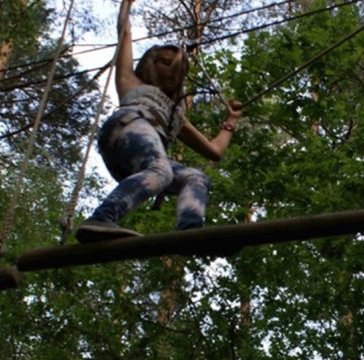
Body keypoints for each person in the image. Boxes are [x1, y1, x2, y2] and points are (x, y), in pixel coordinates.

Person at [75, 0, 242, 243]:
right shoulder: (131, 82)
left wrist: (231, 121)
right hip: (128, 127)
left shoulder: (175, 116)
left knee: (196, 177)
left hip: (140, 157)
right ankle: (102, 218)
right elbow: (124, 32)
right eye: (164, 62)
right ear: (150, 64)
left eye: (177, 68)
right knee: (161, 171)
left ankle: (190, 230)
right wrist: (126, 5)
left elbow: (214, 151)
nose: (172, 70)